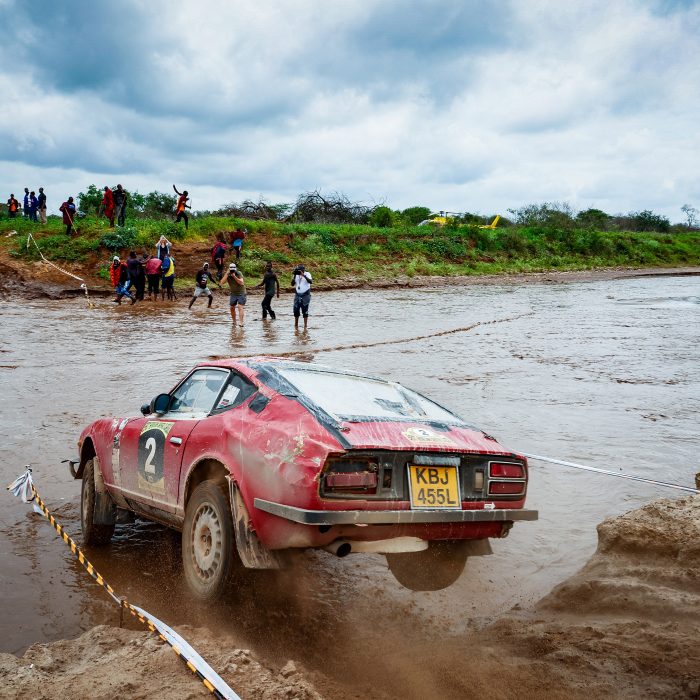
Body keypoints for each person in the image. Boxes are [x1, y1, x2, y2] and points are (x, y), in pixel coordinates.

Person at [292, 264, 312, 330]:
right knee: (296, 310)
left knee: (305, 310)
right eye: (298, 270)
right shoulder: (296, 275)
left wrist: (303, 275)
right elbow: (292, 284)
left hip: (305, 295)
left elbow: (310, 281)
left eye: (300, 270)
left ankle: (305, 326)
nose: (299, 272)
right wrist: (294, 275)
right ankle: (296, 325)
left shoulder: (307, 274)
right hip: (297, 295)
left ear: (304, 270)